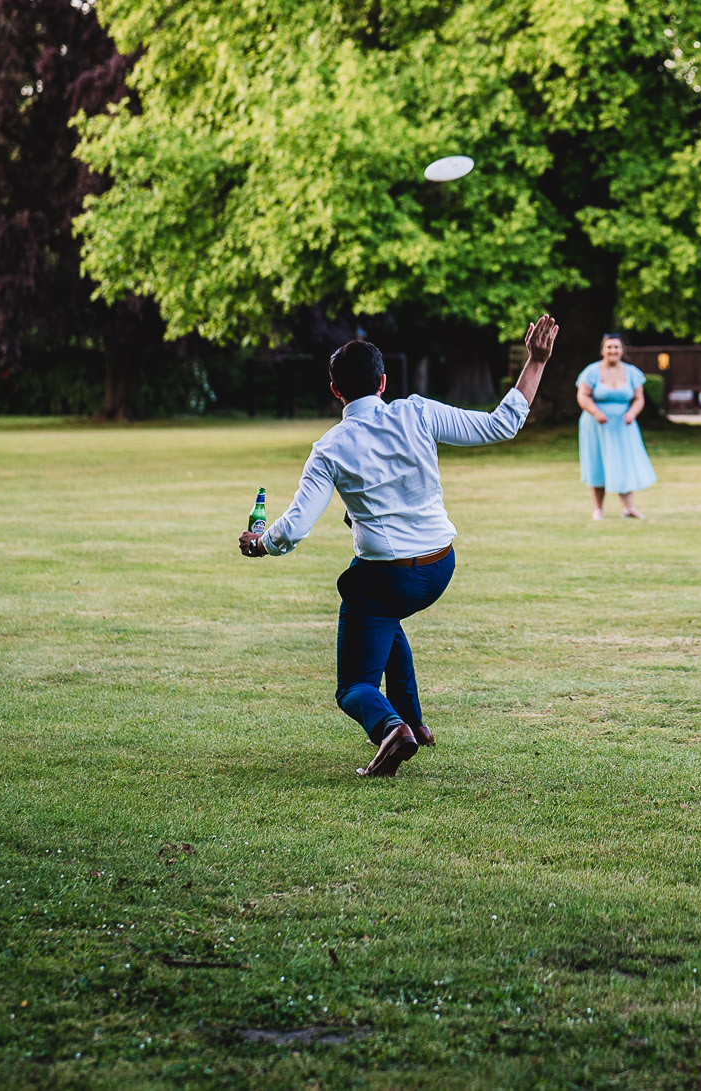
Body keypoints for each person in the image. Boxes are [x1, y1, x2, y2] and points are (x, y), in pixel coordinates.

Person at [240, 315, 562, 778]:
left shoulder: (329, 448)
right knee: (381, 616)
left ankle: (391, 728)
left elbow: (293, 528)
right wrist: (536, 360)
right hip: (440, 567)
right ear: (383, 382)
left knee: (353, 685)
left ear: (335, 391)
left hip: (388, 576)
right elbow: (502, 424)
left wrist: (260, 544)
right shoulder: (417, 411)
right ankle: (413, 720)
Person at [577, 333, 658, 518]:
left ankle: (628, 508)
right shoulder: (591, 372)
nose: (613, 351)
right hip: (596, 425)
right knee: (597, 462)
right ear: (602, 350)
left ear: (622, 350)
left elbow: (639, 398)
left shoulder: (632, 372)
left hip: (623, 425)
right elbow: (583, 396)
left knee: (623, 463)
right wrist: (596, 412)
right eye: (609, 347)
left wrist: (632, 413)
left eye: (616, 347)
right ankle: (598, 508)